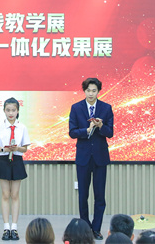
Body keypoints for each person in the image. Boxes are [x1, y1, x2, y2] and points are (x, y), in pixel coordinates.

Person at [68, 77, 114, 240]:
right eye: (88, 90)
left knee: (100, 196)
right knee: (83, 196)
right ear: (84, 91)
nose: (91, 94)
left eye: (94, 91)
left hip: (100, 157)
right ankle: (85, 228)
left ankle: (96, 229)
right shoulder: (76, 108)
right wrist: (86, 131)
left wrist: (101, 126)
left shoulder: (106, 108)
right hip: (83, 157)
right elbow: (72, 132)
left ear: (98, 91)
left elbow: (110, 133)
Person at [0, 97, 30, 241]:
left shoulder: (22, 127)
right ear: (4, 111)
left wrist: (17, 148)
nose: (11, 113)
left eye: (13, 110)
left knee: (15, 194)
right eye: (8, 110)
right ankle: (6, 227)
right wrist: (4, 149)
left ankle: (14, 227)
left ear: (18, 111)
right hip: (4, 160)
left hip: (17, 160)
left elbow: (25, 148)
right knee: (5, 194)